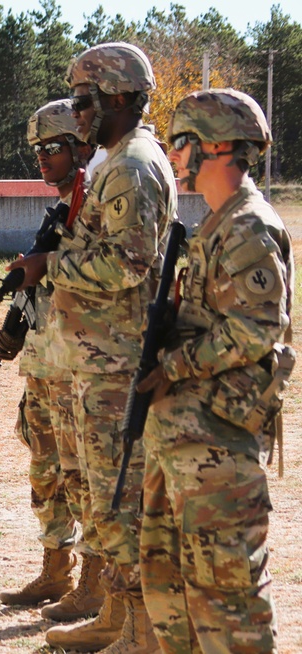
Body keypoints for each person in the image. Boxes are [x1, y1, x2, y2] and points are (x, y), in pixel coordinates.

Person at [8, 41, 176, 653]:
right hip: (96, 360)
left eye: (85, 101)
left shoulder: (132, 165)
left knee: (122, 500)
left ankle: (143, 631)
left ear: (122, 98)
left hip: (118, 361)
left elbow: (129, 262)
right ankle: (115, 613)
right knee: (105, 498)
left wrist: (49, 264)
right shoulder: (116, 160)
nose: (76, 115)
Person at [137, 88, 293, 653]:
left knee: (228, 606)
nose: (175, 156)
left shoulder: (249, 227)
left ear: (218, 147)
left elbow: (257, 329)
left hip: (218, 449)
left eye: (182, 144)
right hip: (185, 443)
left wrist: (175, 365)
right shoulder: (215, 226)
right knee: (170, 592)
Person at [0, 99, 103, 623]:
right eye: (37, 149)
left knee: (81, 474)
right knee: (44, 470)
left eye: (53, 147)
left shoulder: (96, 207)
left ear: (82, 147)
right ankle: (54, 567)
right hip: (45, 359)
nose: (42, 157)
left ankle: (94, 584)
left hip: (77, 361)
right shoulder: (61, 209)